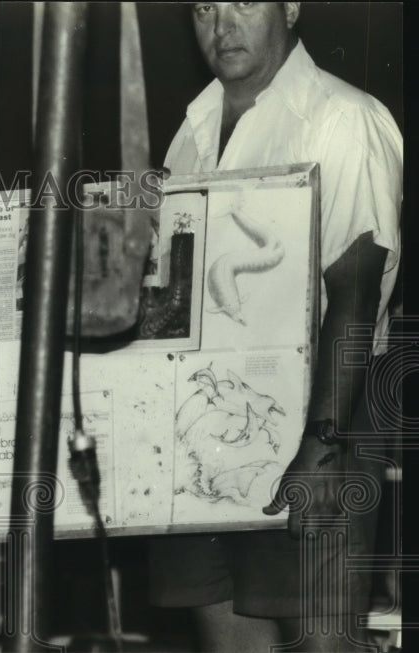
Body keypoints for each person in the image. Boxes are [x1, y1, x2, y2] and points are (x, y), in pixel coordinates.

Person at [148, 4, 402, 652]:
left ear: (290, 6)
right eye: (204, 7)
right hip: (211, 421)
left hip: (323, 418)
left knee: (322, 644)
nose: (222, 23)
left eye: (242, 1)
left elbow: (355, 292)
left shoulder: (344, 118)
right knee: (227, 639)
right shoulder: (190, 132)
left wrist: (322, 444)